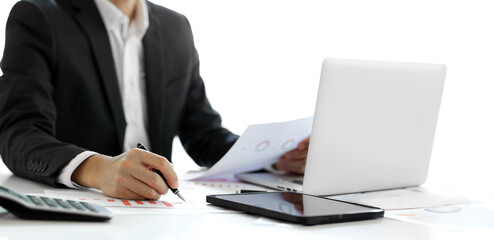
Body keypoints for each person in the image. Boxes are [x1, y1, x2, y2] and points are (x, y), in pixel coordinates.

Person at [0, 0, 309, 200]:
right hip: (78, 208)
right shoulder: (39, 16)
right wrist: (97, 169)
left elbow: (204, 135)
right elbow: (18, 133)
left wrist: (274, 158)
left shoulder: (176, 26)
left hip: (157, 211)